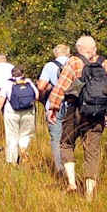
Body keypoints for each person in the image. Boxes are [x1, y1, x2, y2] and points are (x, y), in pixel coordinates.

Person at [46, 35, 107, 199]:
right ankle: (90, 194)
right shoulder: (104, 63)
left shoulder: (74, 62)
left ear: (78, 49)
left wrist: (53, 107)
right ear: (94, 48)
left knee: (66, 143)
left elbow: (61, 86)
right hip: (97, 113)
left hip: (75, 110)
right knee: (92, 151)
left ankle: (72, 182)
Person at [38, 44, 70, 176]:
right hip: (72, 105)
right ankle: (71, 168)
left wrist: (51, 86)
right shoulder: (74, 63)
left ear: (55, 54)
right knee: (69, 138)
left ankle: (60, 170)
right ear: (68, 53)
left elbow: (41, 86)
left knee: (56, 138)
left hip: (54, 105)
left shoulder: (50, 66)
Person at [0, 66, 40, 164]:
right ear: (23, 74)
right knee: (25, 135)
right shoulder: (28, 82)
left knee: (12, 136)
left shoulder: (7, 83)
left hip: (12, 113)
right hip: (28, 112)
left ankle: (12, 162)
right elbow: (37, 96)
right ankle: (23, 151)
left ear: (12, 74)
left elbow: (0, 102)